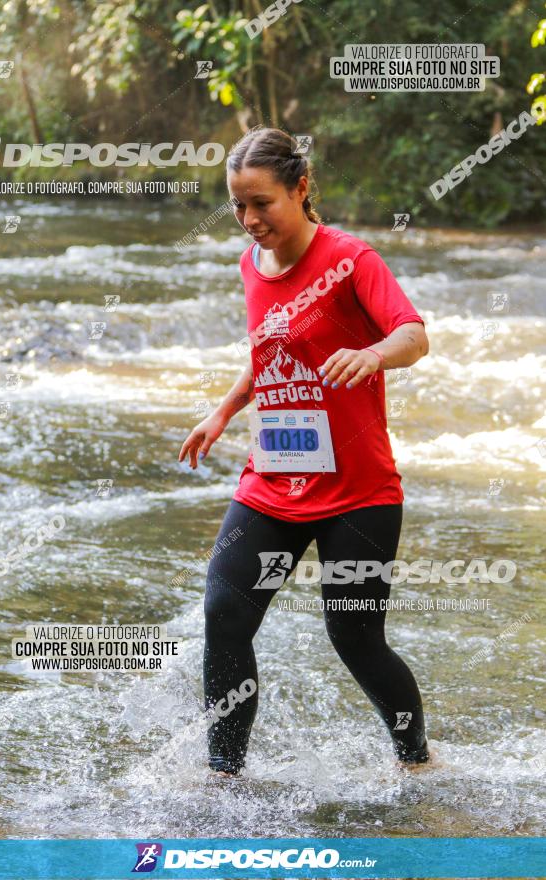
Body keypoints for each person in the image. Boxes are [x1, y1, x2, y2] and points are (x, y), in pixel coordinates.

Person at [179, 126, 432, 778]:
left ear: (300, 188)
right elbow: (268, 352)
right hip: (275, 478)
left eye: (261, 202)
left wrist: (372, 353)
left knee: (355, 639)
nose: (249, 219)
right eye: (238, 205)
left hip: (357, 492)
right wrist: (224, 409)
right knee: (224, 615)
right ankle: (223, 775)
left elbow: (411, 336)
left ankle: (416, 761)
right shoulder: (249, 264)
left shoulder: (351, 260)